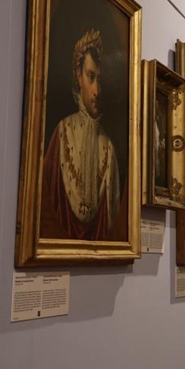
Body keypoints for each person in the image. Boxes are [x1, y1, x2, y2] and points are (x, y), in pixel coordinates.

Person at [42, 28, 121, 240]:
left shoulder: (108, 148)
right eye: (90, 77)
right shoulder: (62, 133)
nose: (97, 90)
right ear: (78, 76)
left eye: (100, 80)